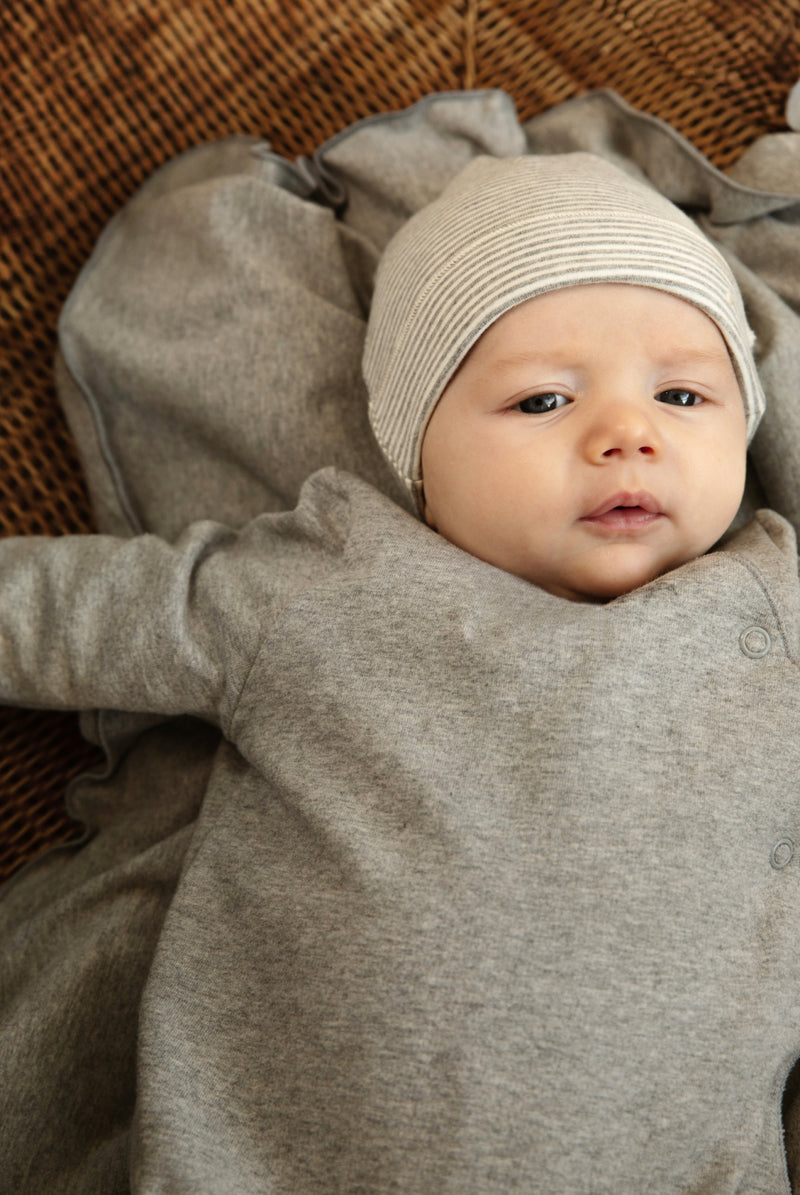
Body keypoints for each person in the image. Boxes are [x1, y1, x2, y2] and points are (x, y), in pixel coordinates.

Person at [2, 150, 798, 1193]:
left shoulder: (771, 608)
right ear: (419, 454)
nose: (626, 435)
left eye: (684, 393)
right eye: (543, 401)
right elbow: (72, 611)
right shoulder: (327, 582)